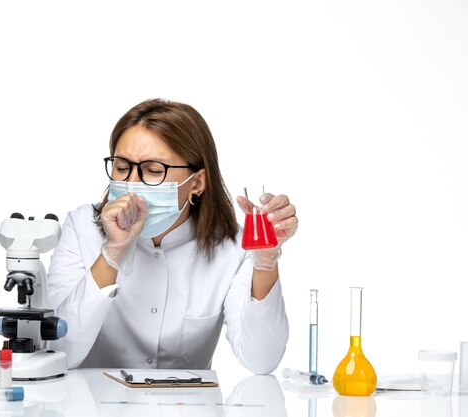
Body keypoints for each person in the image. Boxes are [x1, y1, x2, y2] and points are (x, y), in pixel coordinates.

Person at [48, 99, 298, 374]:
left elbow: (261, 361)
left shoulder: (232, 248)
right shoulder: (82, 228)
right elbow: (59, 351)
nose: (132, 183)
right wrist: (112, 253)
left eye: (153, 170)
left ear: (197, 183)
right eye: (121, 167)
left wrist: (264, 262)